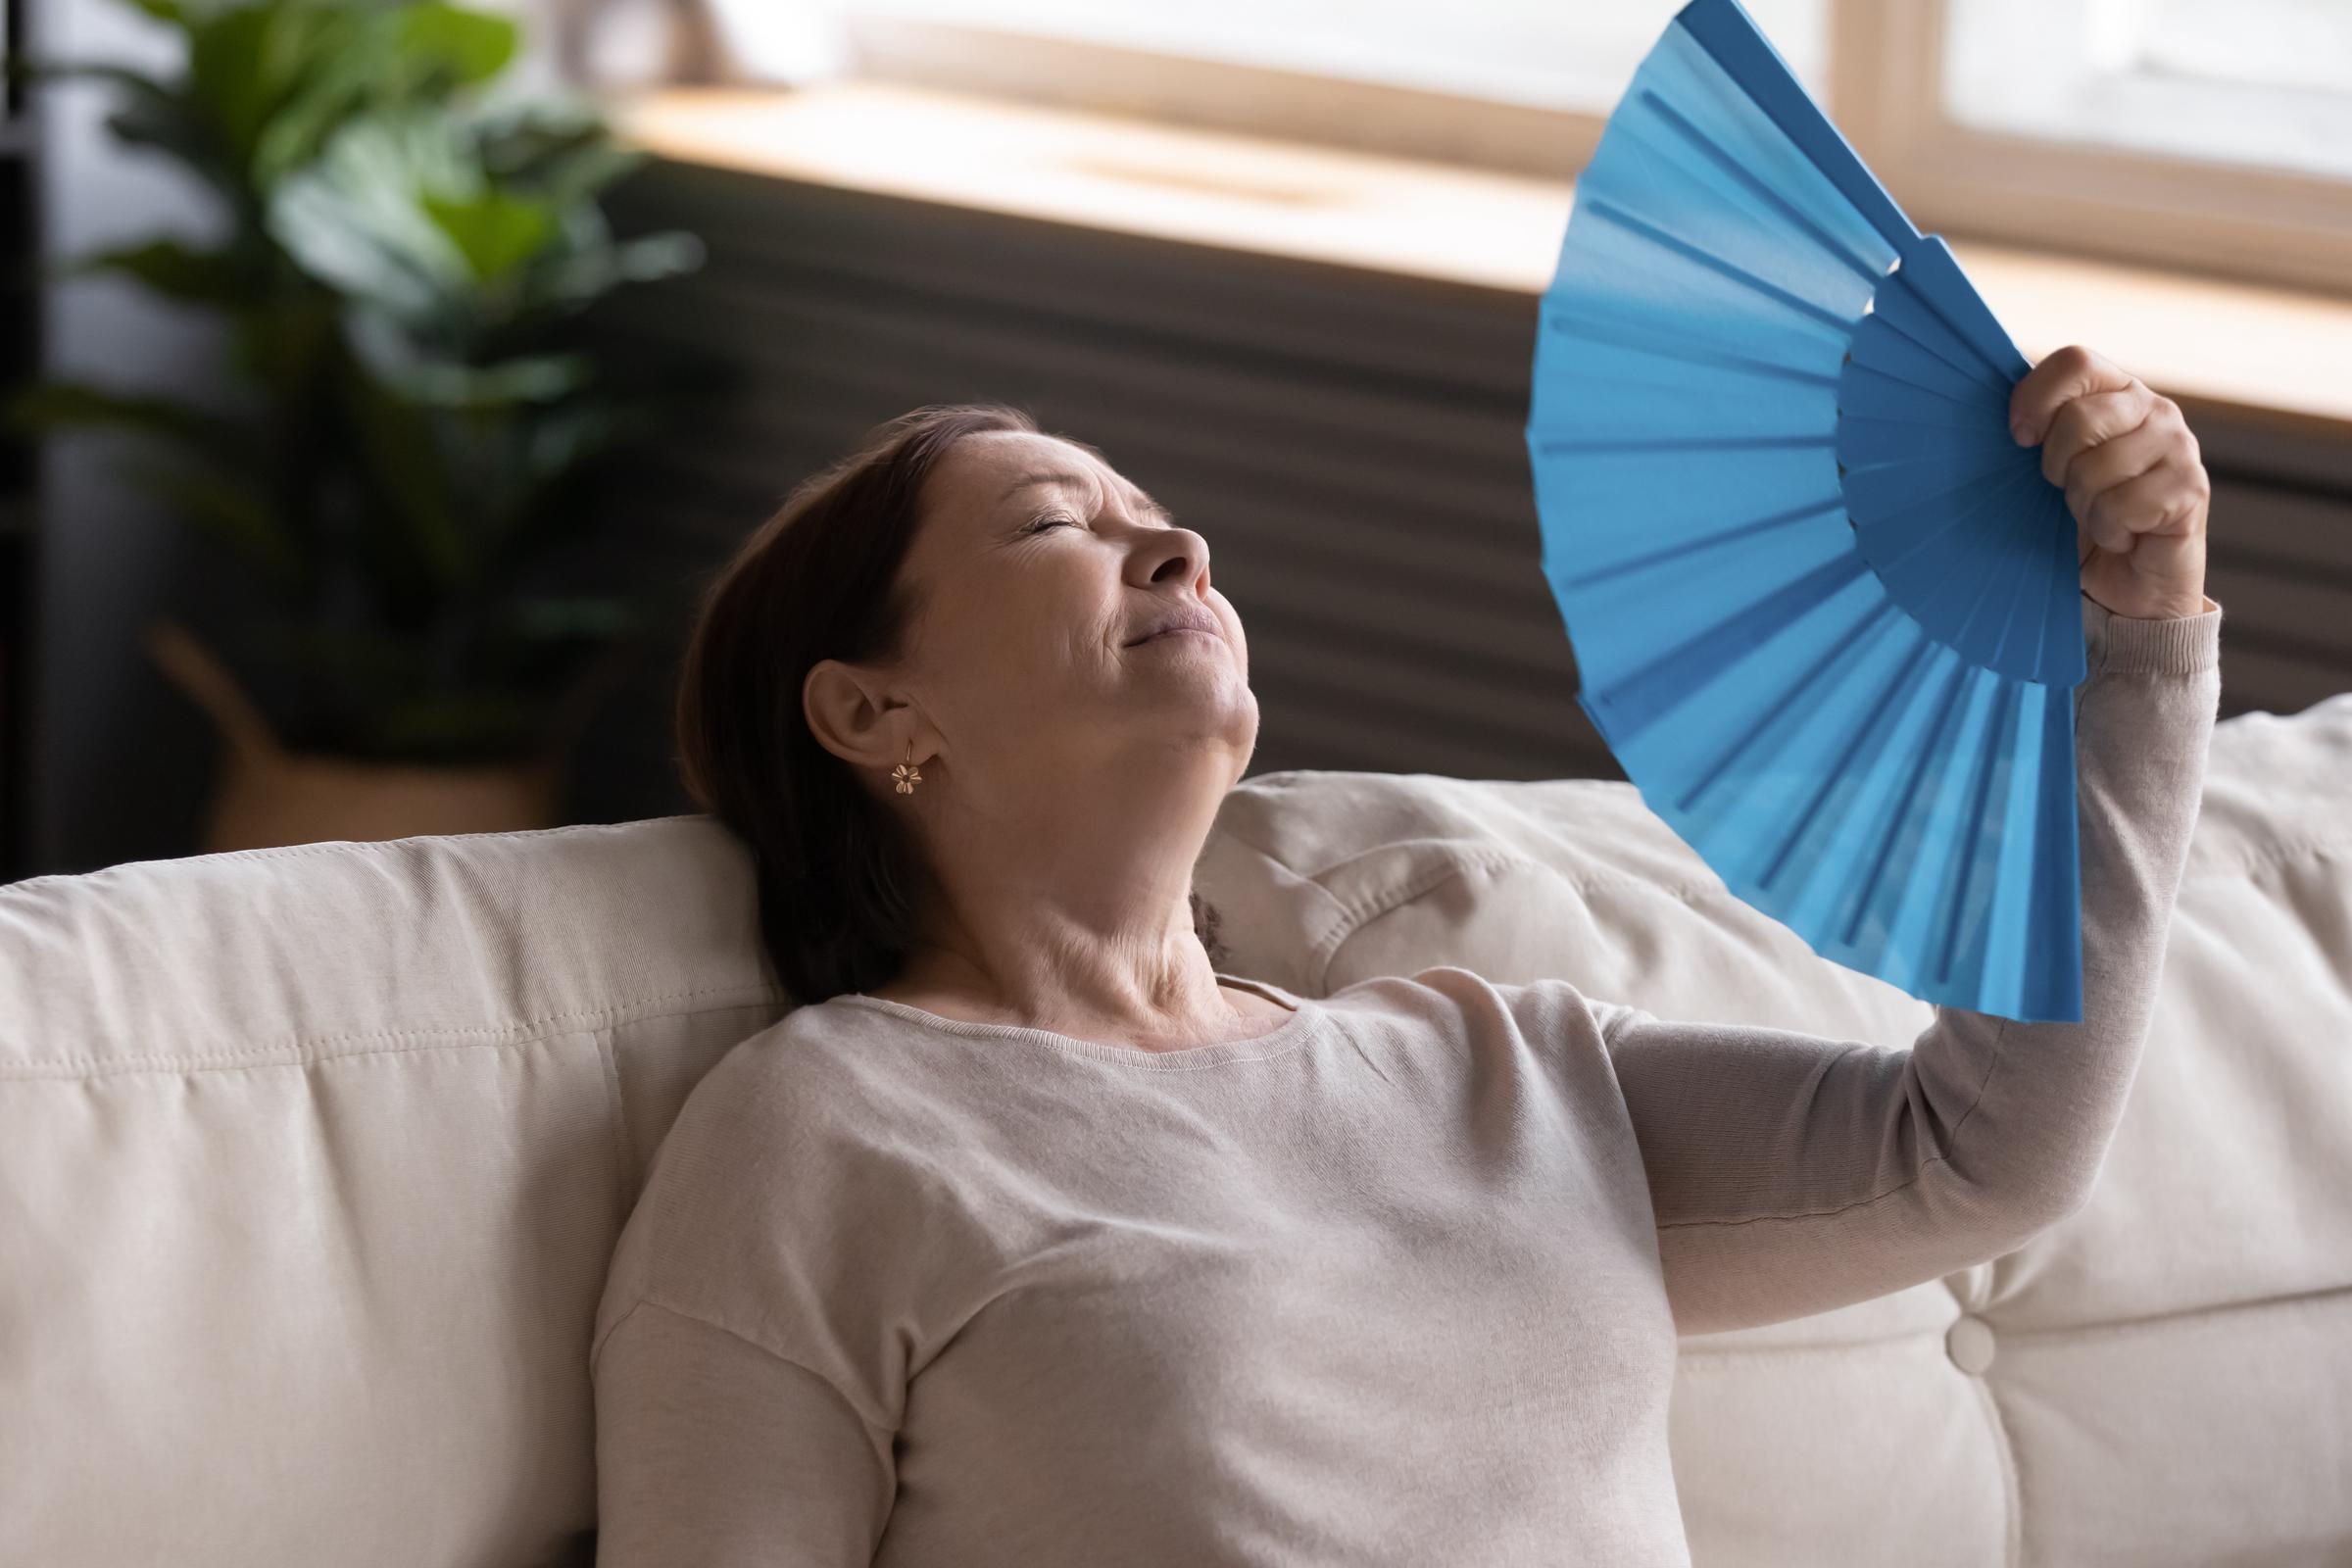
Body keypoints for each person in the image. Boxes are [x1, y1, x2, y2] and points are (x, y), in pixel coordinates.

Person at [588, 344, 2223, 1565]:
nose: (1177, 554)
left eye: (1161, 520)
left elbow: (1983, 1151)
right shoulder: (820, 1136)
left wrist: (2121, 643)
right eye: (1051, 528)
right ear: (871, 708)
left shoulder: (1490, 1066)